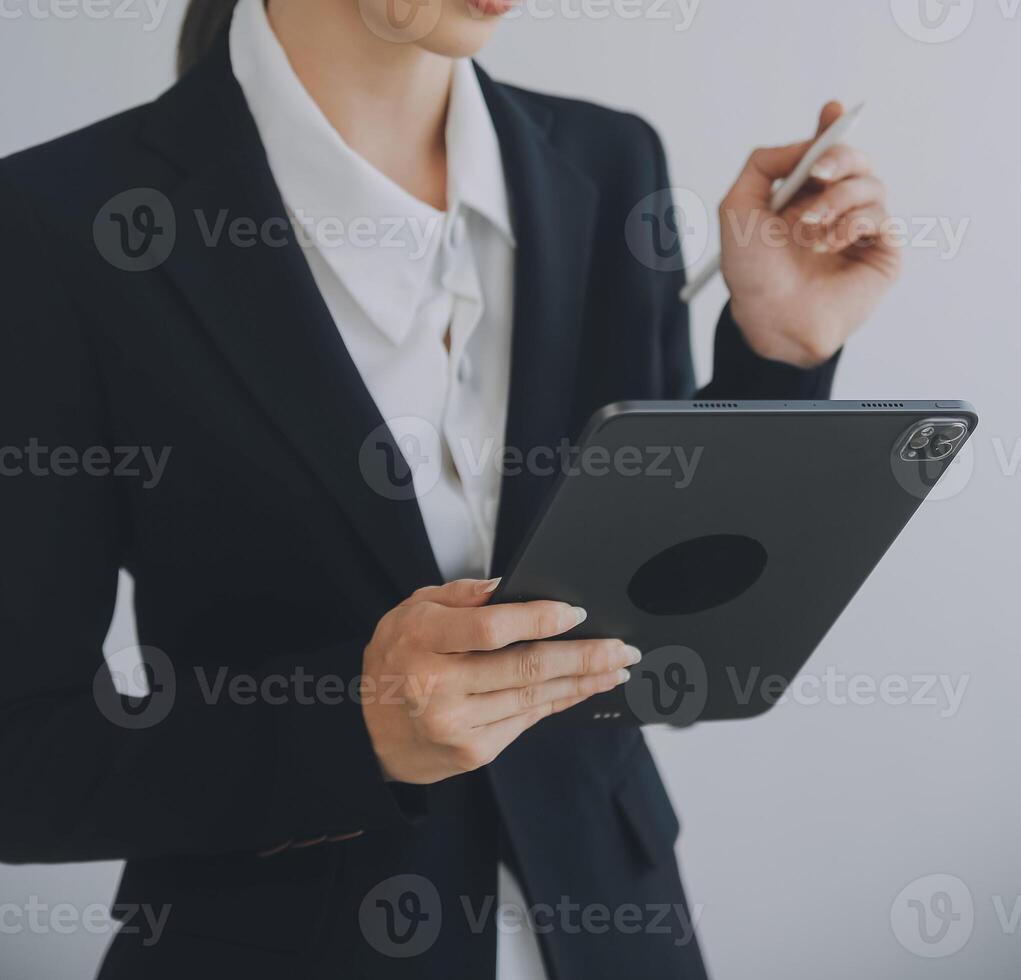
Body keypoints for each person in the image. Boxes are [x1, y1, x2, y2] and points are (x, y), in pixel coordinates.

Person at [0, 0, 900, 976]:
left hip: (618, 931)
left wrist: (778, 358)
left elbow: (665, 652)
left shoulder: (609, 164)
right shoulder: (59, 221)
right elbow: (21, 756)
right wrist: (354, 729)